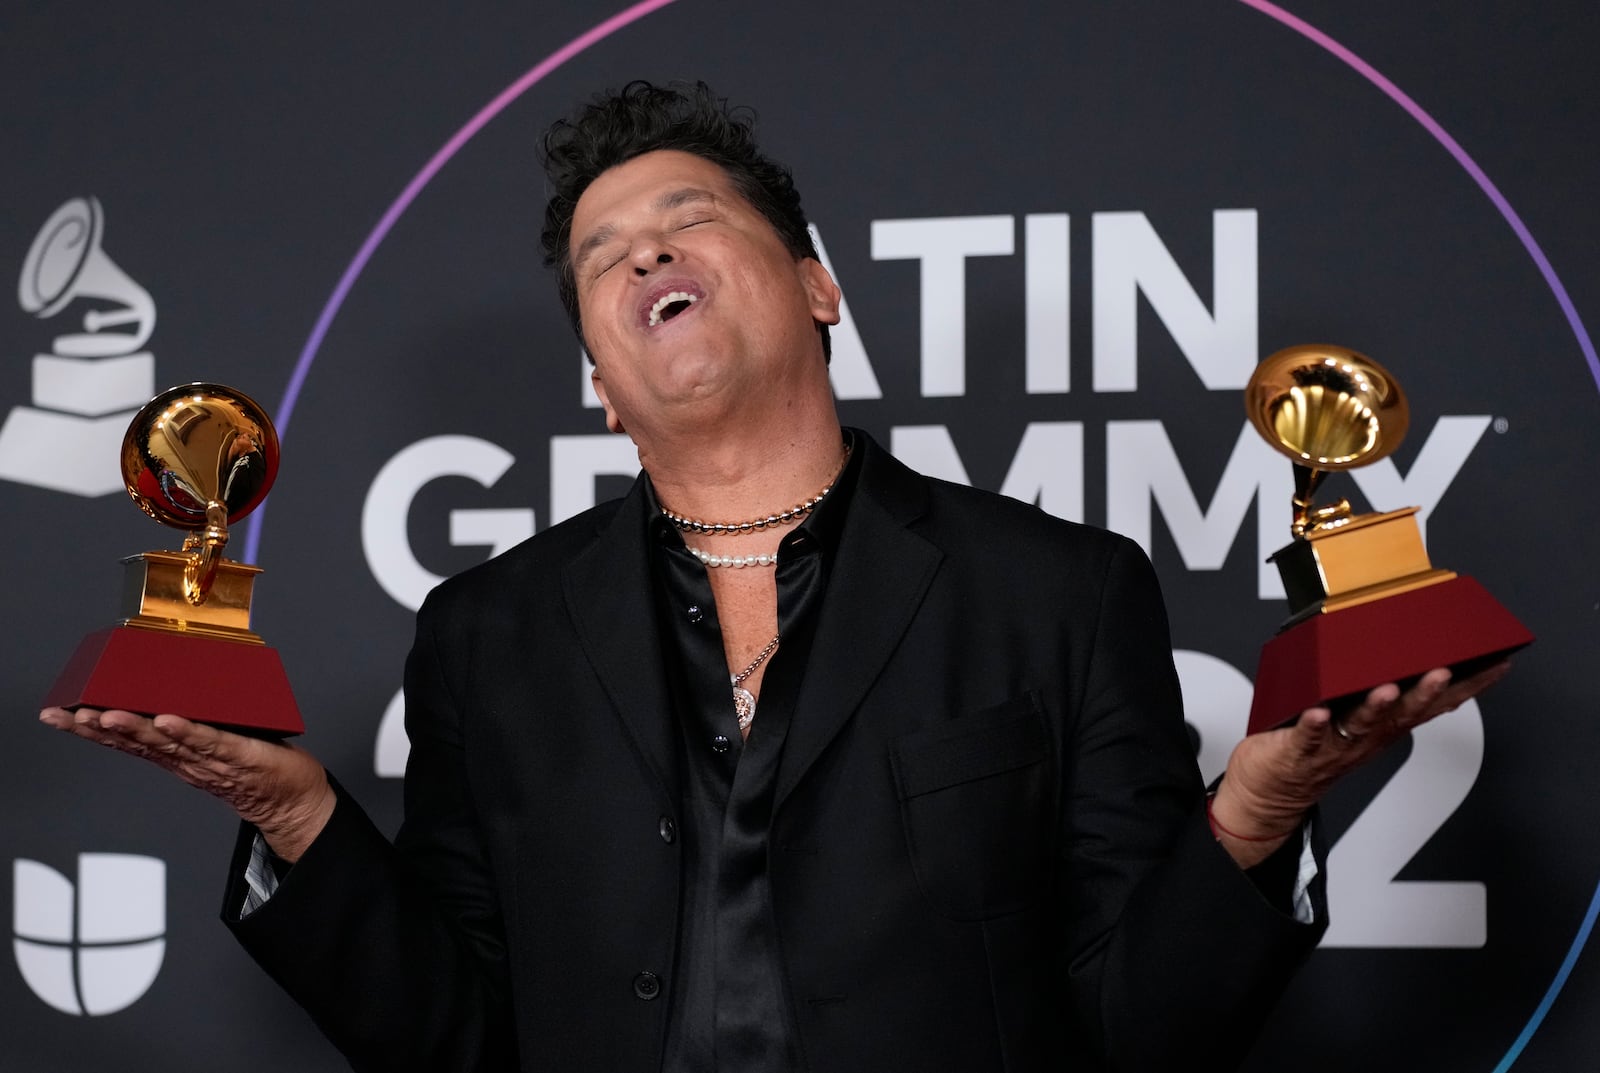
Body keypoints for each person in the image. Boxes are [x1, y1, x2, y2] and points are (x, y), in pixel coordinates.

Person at [40, 81, 1507, 1072]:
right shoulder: (485, 635)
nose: (644, 251)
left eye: (687, 219)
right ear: (601, 381)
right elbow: (458, 1038)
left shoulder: (1057, 593)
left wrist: (1256, 809)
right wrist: (295, 811)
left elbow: (1141, 1027)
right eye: (604, 255)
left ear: (818, 284)